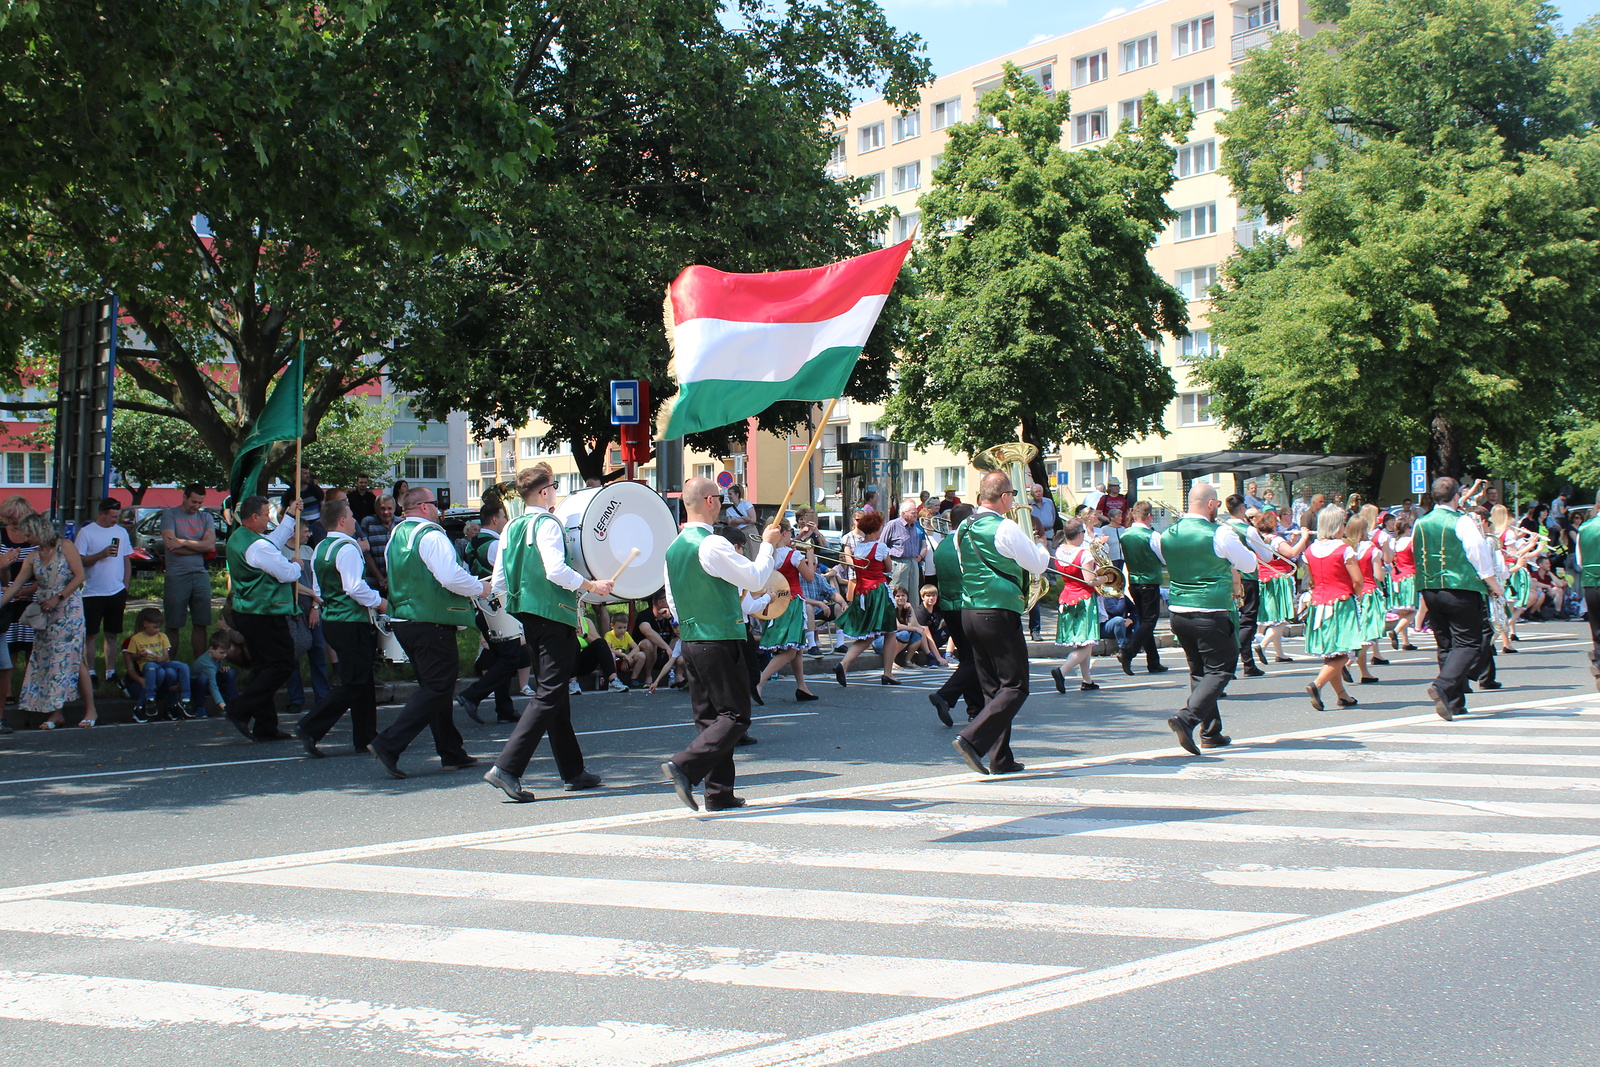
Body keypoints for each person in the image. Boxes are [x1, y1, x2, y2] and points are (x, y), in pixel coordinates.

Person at [481, 464, 611, 802]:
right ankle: (507, 768)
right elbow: (556, 571)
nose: (555, 491)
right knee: (550, 693)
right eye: (553, 486)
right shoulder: (549, 524)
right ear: (543, 492)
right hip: (555, 615)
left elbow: (499, 581)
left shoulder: (510, 527)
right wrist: (591, 585)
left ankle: (572, 771)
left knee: (555, 694)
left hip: (528, 614)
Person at [660, 476, 781, 811]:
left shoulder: (673, 548)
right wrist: (768, 544)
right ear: (710, 501)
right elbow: (755, 578)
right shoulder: (712, 544)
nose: (723, 508)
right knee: (735, 716)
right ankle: (685, 766)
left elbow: (673, 600)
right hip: (720, 636)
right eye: (721, 500)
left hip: (692, 639)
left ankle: (719, 793)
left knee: (709, 718)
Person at [365, 487, 486, 778]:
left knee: (436, 688)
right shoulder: (431, 535)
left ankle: (451, 751)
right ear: (421, 507)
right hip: (431, 620)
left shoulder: (397, 534)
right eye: (435, 504)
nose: (439, 509)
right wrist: (480, 587)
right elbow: (450, 577)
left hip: (405, 619)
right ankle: (389, 744)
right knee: (438, 687)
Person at [949, 471, 1051, 776]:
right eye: (1013, 496)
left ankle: (1000, 758)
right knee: (1016, 685)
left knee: (993, 688)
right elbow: (1036, 564)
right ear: (1005, 498)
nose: (1013, 502)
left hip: (970, 612)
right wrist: (1042, 545)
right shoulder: (1005, 527)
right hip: (998, 611)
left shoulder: (962, 528)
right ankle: (972, 738)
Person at [1154, 482, 1260, 755]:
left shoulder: (1166, 534)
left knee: (1200, 672)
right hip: (1211, 610)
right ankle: (1187, 719)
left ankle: (1211, 732)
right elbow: (1249, 565)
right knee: (1221, 670)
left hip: (1178, 611)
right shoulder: (1221, 533)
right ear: (1212, 504)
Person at [296, 499, 385, 758]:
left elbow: (319, 588)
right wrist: (381, 603)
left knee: (362, 678)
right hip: (351, 620)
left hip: (333, 618)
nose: (355, 520)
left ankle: (366, 735)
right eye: (352, 515)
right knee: (355, 681)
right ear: (342, 520)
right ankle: (310, 726)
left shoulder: (322, 546)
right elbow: (354, 587)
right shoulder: (347, 547)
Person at [1414, 476, 1504, 721]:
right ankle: (1442, 686)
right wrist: (1494, 585)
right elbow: (1477, 553)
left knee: (1446, 644)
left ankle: (1454, 702)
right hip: (1460, 588)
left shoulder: (1420, 522)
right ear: (1456, 496)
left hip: (1430, 589)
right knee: (1468, 643)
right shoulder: (1461, 521)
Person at [0, 514, 96, 729]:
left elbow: (79, 576)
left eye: (29, 534)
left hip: (68, 608)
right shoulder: (33, 556)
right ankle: (56, 712)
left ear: (40, 530)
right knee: (49, 659)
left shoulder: (65, 546)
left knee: (71, 657)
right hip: (45, 613)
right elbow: (15, 587)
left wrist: (58, 597)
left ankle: (91, 710)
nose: (27, 538)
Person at [224, 495, 304, 742]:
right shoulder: (257, 546)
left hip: (248, 611)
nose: (269, 517)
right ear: (254, 517)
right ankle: (240, 709)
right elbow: (285, 573)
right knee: (282, 664)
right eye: (265, 514)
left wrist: (289, 517)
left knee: (263, 667)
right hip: (264, 612)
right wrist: (298, 565)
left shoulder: (241, 536)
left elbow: (273, 543)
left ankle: (265, 727)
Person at [456, 500, 528, 725]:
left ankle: (504, 708)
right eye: (504, 518)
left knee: (501, 655)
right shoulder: (495, 545)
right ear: (495, 519)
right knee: (510, 656)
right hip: (497, 606)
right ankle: (472, 695)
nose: (506, 522)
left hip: (482, 605)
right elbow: (512, 572)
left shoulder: (473, 543)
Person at [833, 509, 905, 686]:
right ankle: (887, 673)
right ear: (875, 529)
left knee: (869, 634)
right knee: (890, 632)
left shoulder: (858, 548)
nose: (881, 531)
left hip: (862, 592)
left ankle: (844, 664)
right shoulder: (879, 547)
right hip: (878, 592)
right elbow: (888, 568)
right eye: (880, 528)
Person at [928, 504, 983, 726]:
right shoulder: (967, 544)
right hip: (968, 605)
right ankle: (945, 696)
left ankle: (974, 709)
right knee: (978, 659)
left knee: (969, 659)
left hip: (949, 608)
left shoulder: (941, 546)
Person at [755, 519, 820, 702]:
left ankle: (802, 687)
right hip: (792, 603)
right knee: (791, 650)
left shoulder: (768, 554)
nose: (793, 534)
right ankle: (759, 682)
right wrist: (810, 552)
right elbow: (809, 577)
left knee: (797, 648)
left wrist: (801, 537)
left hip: (775, 602)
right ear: (783, 532)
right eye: (790, 531)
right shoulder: (793, 555)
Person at [73, 497, 133, 688]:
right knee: (90, 634)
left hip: (116, 591)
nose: (115, 520)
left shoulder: (121, 532)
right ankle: (90, 671)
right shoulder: (86, 533)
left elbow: (126, 559)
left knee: (112, 633)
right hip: (92, 592)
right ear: (101, 513)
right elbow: (80, 561)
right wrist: (101, 554)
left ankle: (110, 671)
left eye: (117, 516)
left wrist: (126, 585)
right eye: (112, 516)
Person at [160, 483, 217, 662]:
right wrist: (199, 547)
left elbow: (210, 546)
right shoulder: (170, 515)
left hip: (200, 574)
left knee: (201, 622)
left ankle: (200, 665)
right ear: (184, 497)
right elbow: (171, 546)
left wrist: (183, 542)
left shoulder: (206, 517)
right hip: (177, 575)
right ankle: (169, 664)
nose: (197, 506)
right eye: (194, 502)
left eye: (200, 503)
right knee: (173, 623)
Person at [1223, 494, 1276, 678]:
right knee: (1248, 621)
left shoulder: (1222, 528)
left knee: (1234, 620)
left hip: (1227, 579)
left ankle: (1248, 664)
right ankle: (1232, 661)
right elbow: (1267, 557)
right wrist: (1266, 543)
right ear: (1243, 508)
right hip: (1247, 577)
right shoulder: (1249, 530)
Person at [1116, 501, 1169, 675]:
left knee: (1145, 620)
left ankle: (1153, 662)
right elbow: (1163, 558)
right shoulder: (1153, 536)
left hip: (1134, 581)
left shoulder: (1125, 535)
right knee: (1149, 622)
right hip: (1150, 580)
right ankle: (1128, 651)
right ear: (1149, 517)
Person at [1050, 518, 1101, 693]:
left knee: (1084, 641)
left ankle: (1087, 680)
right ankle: (1062, 671)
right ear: (1080, 534)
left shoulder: (1059, 551)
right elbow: (1089, 580)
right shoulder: (1083, 553)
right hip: (1083, 599)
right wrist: (1106, 578)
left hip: (1067, 596)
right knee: (1085, 644)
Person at [1255, 511, 1311, 664]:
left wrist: (1293, 540)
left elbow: (1285, 552)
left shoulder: (1260, 539)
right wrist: (1304, 538)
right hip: (1279, 579)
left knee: (1275, 617)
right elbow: (1292, 553)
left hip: (1266, 579)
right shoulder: (1276, 539)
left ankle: (1279, 653)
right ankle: (1263, 645)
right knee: (1283, 618)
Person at [121, 606, 192, 720]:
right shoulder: (132, 641)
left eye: (159, 627)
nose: (157, 630)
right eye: (155, 627)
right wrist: (141, 680)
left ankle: (176, 704)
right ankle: (143, 705)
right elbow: (130, 669)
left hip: (160, 669)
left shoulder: (161, 637)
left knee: (171, 672)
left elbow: (166, 659)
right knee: (157, 671)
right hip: (143, 675)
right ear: (145, 624)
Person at [881, 500, 928, 604]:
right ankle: (896, 618)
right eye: (913, 513)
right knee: (898, 593)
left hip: (913, 562)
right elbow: (882, 546)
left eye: (916, 512)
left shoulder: (914, 526)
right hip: (898, 563)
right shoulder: (892, 525)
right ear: (903, 513)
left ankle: (912, 618)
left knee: (914, 595)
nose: (916, 514)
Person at [1577, 492, 1600, 691]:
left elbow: (1580, 561)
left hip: (1591, 582)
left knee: (1597, 627)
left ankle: (1599, 664)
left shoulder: (1584, 528)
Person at [191, 630, 237, 718]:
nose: (224, 656)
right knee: (203, 680)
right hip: (197, 686)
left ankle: (233, 703)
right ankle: (199, 707)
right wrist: (223, 706)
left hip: (210, 678)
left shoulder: (216, 656)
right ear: (211, 649)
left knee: (229, 672)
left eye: (226, 652)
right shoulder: (207, 664)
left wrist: (220, 668)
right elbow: (213, 686)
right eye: (222, 653)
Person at [359, 495, 398, 591]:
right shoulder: (368, 522)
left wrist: (390, 578)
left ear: (394, 509)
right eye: (382, 508)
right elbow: (366, 553)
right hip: (373, 580)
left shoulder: (400, 524)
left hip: (396, 580)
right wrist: (380, 578)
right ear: (376, 509)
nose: (386, 512)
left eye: (389, 509)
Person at [281, 463, 326, 545]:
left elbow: (324, 509)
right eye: (304, 473)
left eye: (308, 473)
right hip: (300, 536)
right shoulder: (289, 494)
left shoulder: (315, 490)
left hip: (317, 533)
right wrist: (288, 530)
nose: (308, 476)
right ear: (296, 475)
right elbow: (280, 514)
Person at [604, 615, 650, 686]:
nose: (622, 630)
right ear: (612, 626)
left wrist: (628, 657)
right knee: (612, 655)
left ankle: (633, 679)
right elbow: (608, 649)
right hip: (613, 662)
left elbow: (636, 648)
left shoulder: (626, 634)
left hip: (624, 662)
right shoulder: (609, 635)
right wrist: (624, 655)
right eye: (619, 628)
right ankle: (614, 679)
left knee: (641, 655)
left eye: (625, 627)